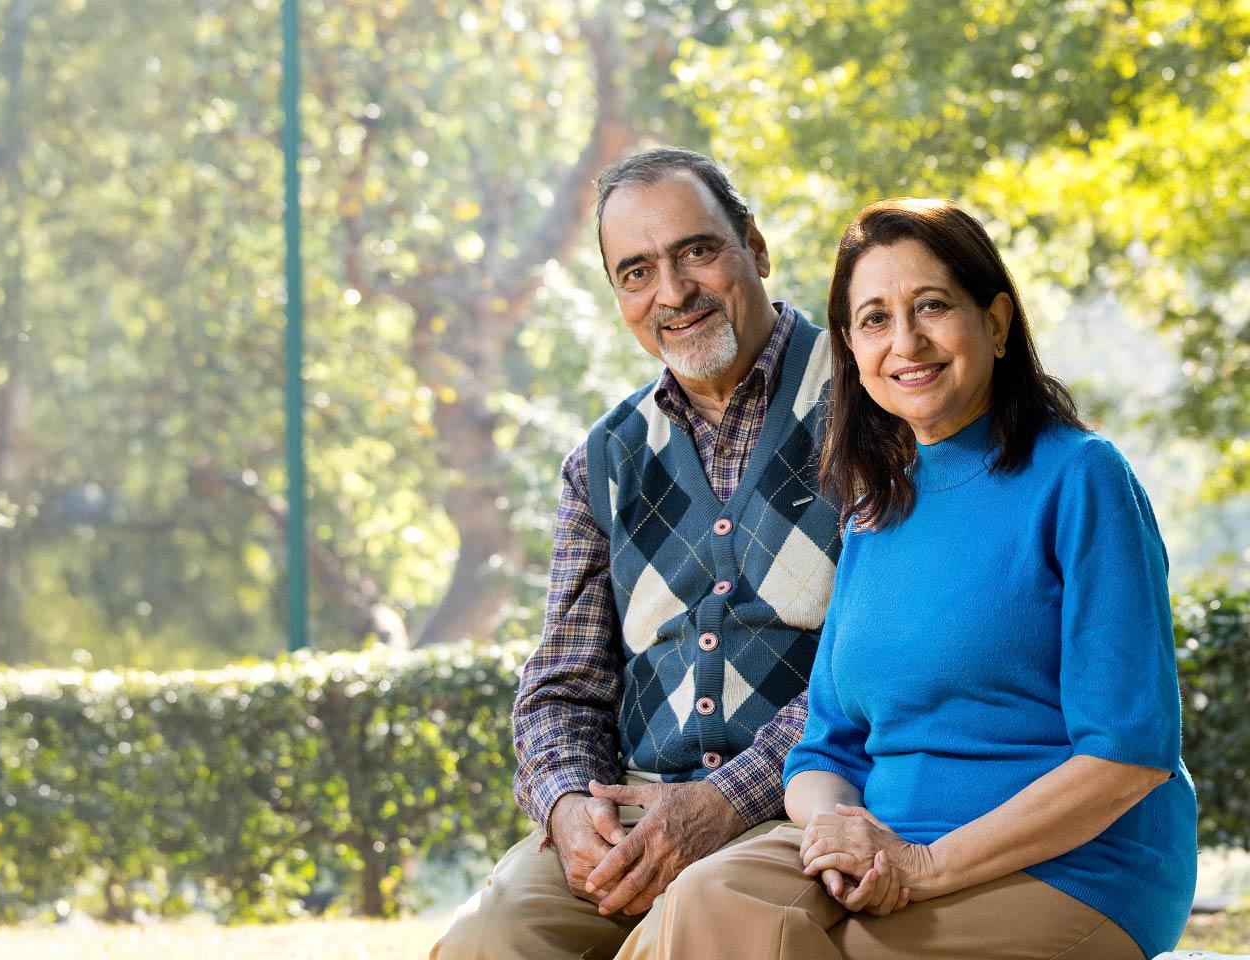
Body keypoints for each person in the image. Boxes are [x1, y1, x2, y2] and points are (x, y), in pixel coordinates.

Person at [640, 198, 1198, 960]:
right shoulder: (876, 511)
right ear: (851, 348)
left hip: (1072, 869)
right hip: (888, 847)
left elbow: (1127, 755)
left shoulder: (1081, 478)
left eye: (932, 306)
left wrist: (926, 866)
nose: (906, 342)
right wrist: (842, 831)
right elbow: (824, 751)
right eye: (874, 319)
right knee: (707, 897)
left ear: (996, 323)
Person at [432, 147, 843, 959]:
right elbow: (561, 689)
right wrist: (565, 807)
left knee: (701, 918)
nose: (673, 292)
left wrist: (724, 800)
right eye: (637, 271)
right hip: (639, 812)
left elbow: (879, 663)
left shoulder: (868, 401)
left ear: (753, 247)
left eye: (697, 251)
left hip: (805, 800)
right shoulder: (604, 459)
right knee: (493, 932)